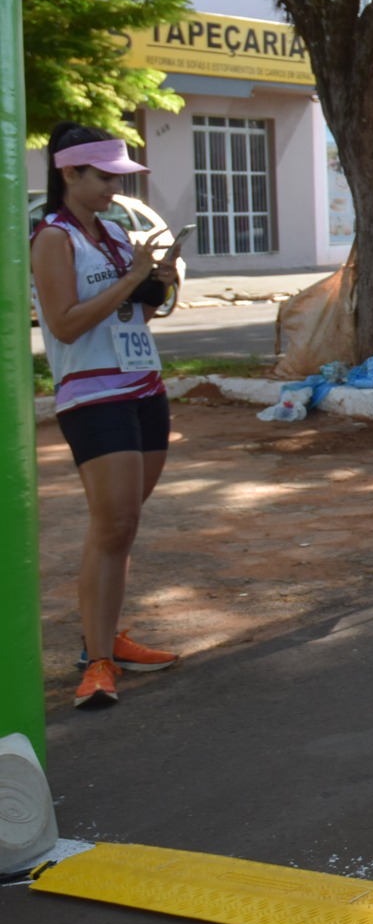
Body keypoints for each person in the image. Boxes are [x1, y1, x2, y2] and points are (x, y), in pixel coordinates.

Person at [30, 124, 183, 710]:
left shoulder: (116, 233)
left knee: (123, 525)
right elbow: (64, 324)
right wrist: (129, 281)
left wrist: (157, 286)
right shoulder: (53, 239)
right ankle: (97, 660)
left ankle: (104, 636)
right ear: (69, 173)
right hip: (93, 396)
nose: (114, 188)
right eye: (104, 177)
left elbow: (139, 317)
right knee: (112, 524)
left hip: (144, 387)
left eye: (120, 178)